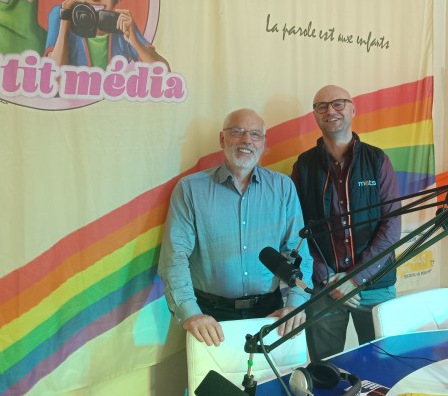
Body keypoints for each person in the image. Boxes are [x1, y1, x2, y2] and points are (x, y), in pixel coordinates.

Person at [158, 109, 311, 346]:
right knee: (214, 372)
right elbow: (174, 257)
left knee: (271, 372)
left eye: (255, 134)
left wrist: (295, 304)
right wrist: (191, 313)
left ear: (263, 143)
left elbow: (298, 253)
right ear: (222, 139)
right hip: (209, 316)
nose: (247, 140)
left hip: (271, 312)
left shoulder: (283, 187)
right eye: (237, 132)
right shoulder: (190, 189)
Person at [291, 85, 401, 360]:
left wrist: (356, 278)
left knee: (384, 364)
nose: (331, 110)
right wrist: (326, 277)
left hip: (375, 284)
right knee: (325, 369)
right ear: (315, 115)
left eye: (338, 103)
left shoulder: (377, 159)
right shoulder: (303, 166)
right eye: (322, 106)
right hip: (324, 288)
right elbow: (298, 230)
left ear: (353, 109)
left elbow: (391, 226)